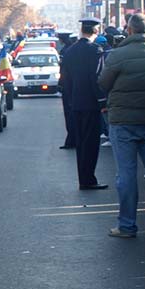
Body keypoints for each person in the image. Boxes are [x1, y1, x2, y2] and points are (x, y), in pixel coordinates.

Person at [100, 13, 145, 237]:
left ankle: (127, 225)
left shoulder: (117, 55)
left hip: (123, 121)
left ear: (129, 31)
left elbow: (103, 83)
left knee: (127, 174)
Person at [63, 19, 106, 190]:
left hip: (75, 102)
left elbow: (66, 78)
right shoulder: (95, 50)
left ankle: (84, 177)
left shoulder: (70, 50)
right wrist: (102, 100)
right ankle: (88, 179)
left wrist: (71, 99)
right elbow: (97, 77)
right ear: (96, 30)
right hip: (91, 103)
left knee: (81, 142)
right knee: (91, 143)